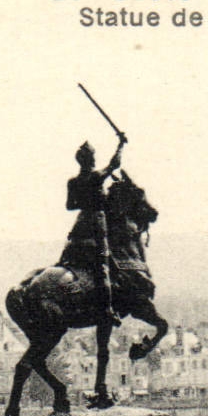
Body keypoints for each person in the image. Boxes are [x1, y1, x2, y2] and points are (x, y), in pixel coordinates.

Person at [60, 136, 126, 324]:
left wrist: (84, 201)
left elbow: (70, 206)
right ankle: (107, 309)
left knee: (66, 260)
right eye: (93, 156)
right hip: (96, 228)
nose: (95, 159)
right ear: (89, 160)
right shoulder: (96, 177)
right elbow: (115, 163)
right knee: (103, 267)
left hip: (79, 227)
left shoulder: (72, 182)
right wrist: (121, 145)